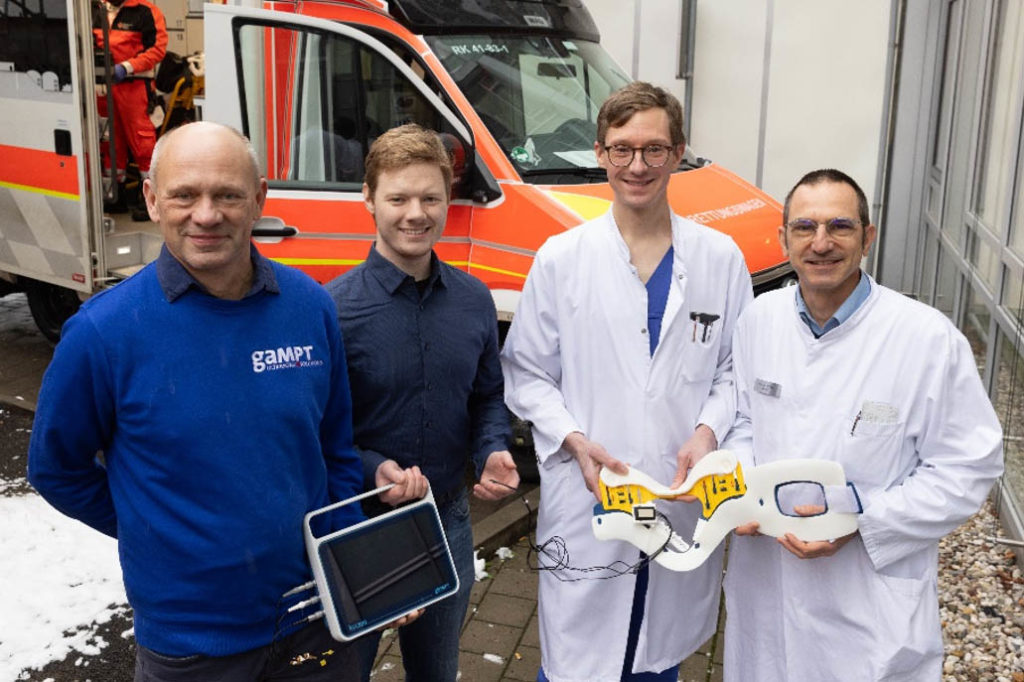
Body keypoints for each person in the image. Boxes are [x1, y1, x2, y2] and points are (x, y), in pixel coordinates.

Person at [27, 122, 367, 681]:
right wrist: (151, 529)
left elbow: (335, 450)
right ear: (153, 200)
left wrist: (348, 561)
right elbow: (55, 469)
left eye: (227, 194)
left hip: (315, 624)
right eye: (185, 194)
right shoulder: (103, 333)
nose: (206, 215)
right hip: (191, 648)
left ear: (258, 198)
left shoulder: (310, 306)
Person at [500, 82, 753, 682]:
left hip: (678, 489)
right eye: (621, 149)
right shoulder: (562, 258)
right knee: (578, 661)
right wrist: (571, 440)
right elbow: (527, 372)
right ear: (599, 154)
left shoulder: (721, 259)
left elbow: (735, 370)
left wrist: (708, 431)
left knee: (657, 656)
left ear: (679, 153)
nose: (637, 165)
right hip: (591, 492)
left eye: (654, 149)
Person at [722, 169, 1004, 680]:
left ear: (867, 238)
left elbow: (968, 465)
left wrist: (864, 520)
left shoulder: (925, 339)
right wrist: (744, 492)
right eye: (804, 227)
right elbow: (743, 421)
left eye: (840, 227)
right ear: (783, 238)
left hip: (868, 600)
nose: (821, 243)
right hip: (767, 581)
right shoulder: (758, 320)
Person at [325, 123, 519, 681]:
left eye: (430, 197)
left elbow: (486, 396)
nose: (416, 213)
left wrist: (492, 449)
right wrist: (372, 469)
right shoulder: (332, 310)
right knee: (345, 673)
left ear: (449, 201)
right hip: (358, 524)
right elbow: (316, 429)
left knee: (435, 672)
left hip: (446, 517)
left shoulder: (474, 300)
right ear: (368, 199)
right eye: (398, 198)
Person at [94, 0, 167, 220]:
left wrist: (127, 67)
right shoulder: (95, 10)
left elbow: (157, 49)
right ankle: (115, 196)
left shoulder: (145, 11)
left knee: (143, 143)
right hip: (103, 87)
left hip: (134, 86)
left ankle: (153, 200)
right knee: (109, 142)